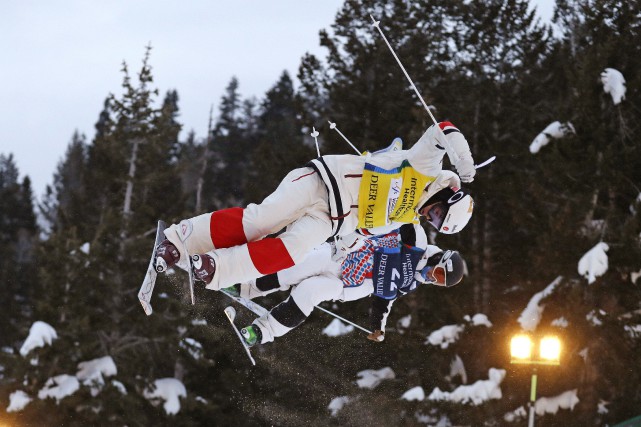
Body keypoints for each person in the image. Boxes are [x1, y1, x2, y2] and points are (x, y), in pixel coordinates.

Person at [154, 121, 475, 293]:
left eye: (433, 222)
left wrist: (346, 246)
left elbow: (365, 230)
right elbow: (441, 129)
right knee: (261, 221)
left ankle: (213, 268)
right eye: (436, 212)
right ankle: (180, 240)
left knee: (290, 253)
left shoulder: (406, 217)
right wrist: (463, 158)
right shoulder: (426, 167)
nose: (429, 216)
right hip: (322, 181)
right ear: (448, 196)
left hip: (329, 222)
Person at [222, 223, 465, 347]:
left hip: (348, 284)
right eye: (439, 272)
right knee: (299, 266)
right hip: (344, 254)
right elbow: (407, 221)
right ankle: (247, 288)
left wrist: (378, 325)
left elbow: (384, 298)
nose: (433, 277)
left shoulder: (409, 283)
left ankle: (262, 332)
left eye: (439, 281)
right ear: (439, 258)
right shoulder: (418, 241)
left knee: (309, 292)